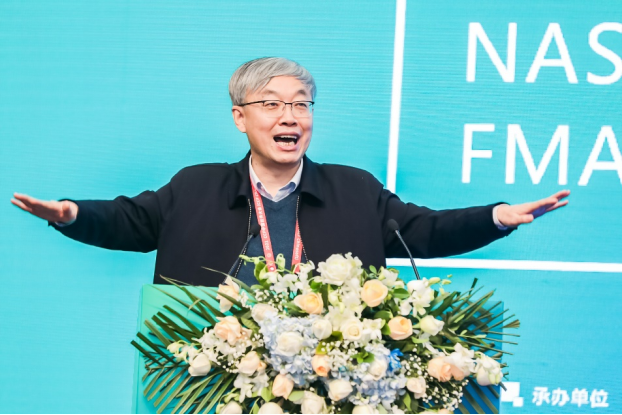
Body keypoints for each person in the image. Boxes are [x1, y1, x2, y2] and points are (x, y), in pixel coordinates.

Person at [11, 57, 570, 287]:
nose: (290, 116)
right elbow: (129, 221)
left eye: (301, 104)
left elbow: (424, 230)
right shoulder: (196, 186)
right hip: (207, 378)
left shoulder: (353, 189)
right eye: (272, 104)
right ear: (240, 118)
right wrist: (70, 213)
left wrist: (498, 216)